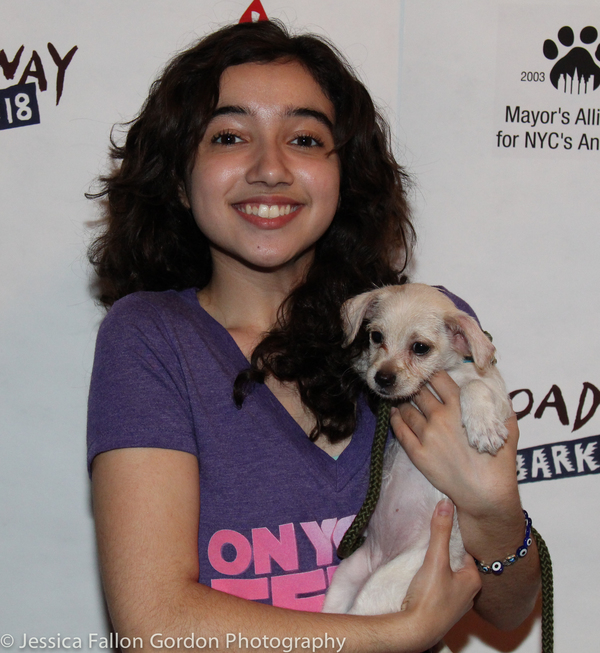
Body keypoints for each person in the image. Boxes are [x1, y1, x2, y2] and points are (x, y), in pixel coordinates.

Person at [87, 19, 540, 653]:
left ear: (343, 175)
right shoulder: (152, 338)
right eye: (229, 135)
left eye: (304, 138)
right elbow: (155, 622)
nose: (270, 168)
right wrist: (397, 633)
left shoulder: (421, 325)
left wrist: (492, 509)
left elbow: (510, 605)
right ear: (180, 180)